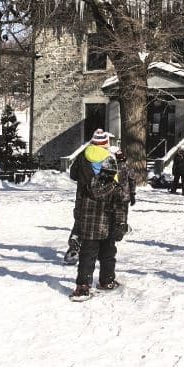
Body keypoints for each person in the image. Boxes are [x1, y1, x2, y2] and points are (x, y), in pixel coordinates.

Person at [70, 156, 129, 301]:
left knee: (87, 258)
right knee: (107, 256)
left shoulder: (89, 184)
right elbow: (120, 207)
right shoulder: (115, 188)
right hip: (106, 228)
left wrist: (77, 225)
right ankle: (105, 281)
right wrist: (121, 225)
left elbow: (81, 206)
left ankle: (84, 286)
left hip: (90, 228)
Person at [65, 129, 114, 264]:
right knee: (99, 223)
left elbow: (73, 175)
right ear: (105, 143)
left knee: (80, 221)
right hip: (102, 198)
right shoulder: (108, 157)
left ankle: (74, 244)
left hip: (82, 196)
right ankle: (98, 251)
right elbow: (114, 179)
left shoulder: (82, 155)